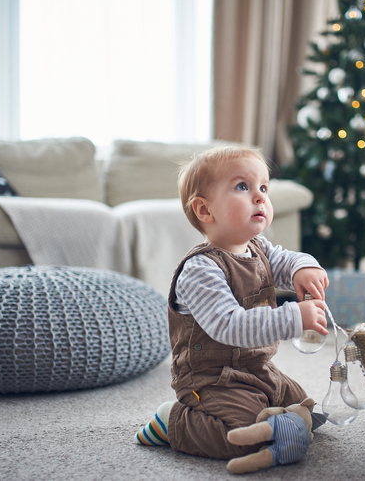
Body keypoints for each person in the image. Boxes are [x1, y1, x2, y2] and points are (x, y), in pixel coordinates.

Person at [135, 145, 329, 459]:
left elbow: (287, 260)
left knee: (301, 406)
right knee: (241, 438)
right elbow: (230, 326)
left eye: (264, 187)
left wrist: (304, 267)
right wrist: (294, 317)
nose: (260, 196)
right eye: (243, 187)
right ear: (204, 210)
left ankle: (268, 413)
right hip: (211, 379)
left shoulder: (258, 248)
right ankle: (174, 421)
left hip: (257, 368)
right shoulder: (200, 270)